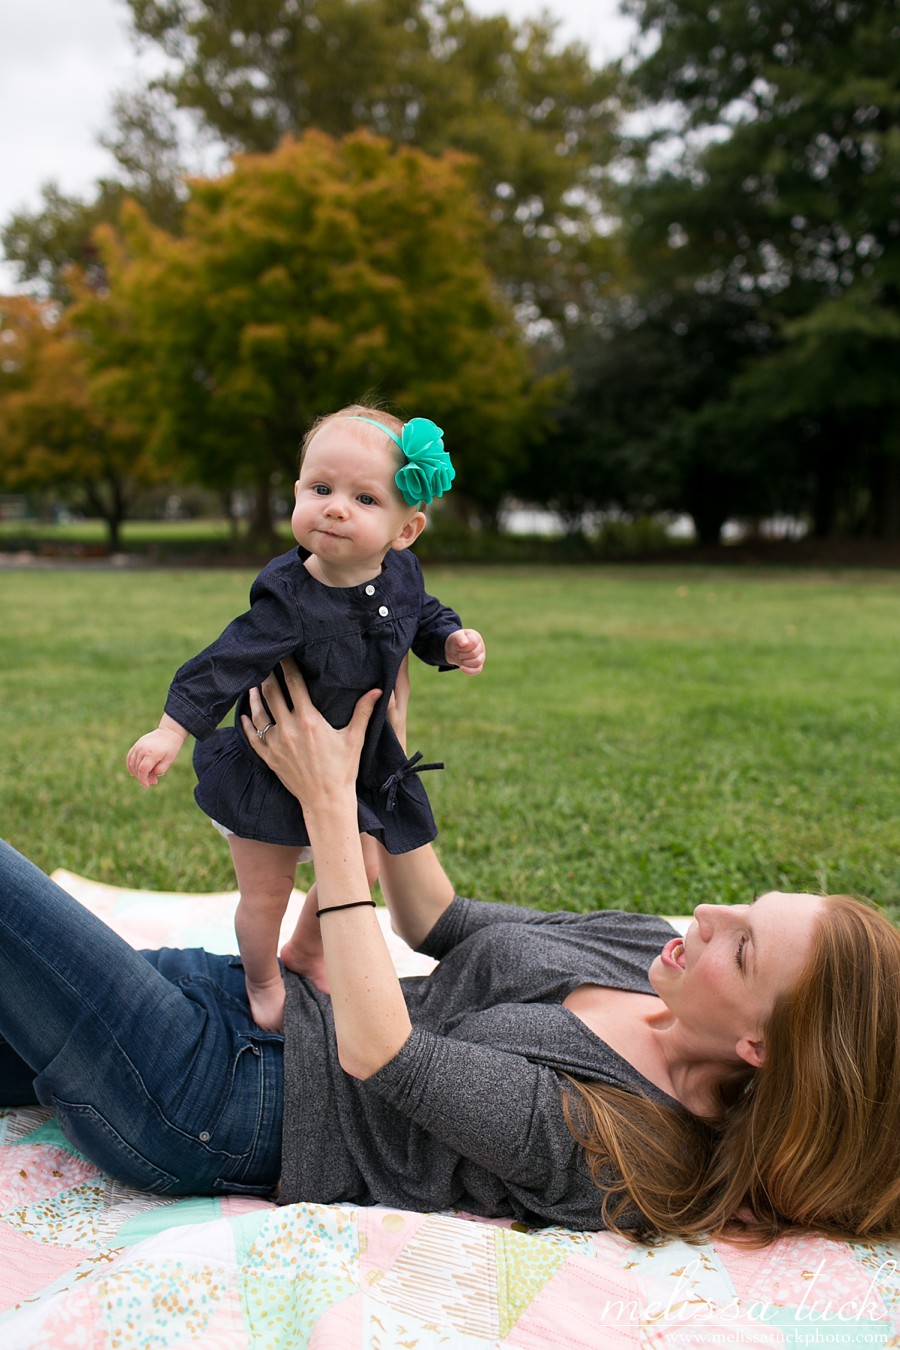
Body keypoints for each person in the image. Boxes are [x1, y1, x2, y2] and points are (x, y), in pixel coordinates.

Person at [4, 657, 900, 1244]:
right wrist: (379, 757)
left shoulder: (626, 1146)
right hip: (234, 996)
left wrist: (330, 801)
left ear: (761, 1048)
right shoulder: (650, 950)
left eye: (739, 949)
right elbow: (437, 917)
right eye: (742, 905)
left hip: (212, 1098)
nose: (706, 911)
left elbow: (382, 1048)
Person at [126, 405, 486, 1030]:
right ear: (298, 493)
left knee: (367, 865)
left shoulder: (400, 571)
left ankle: (307, 949)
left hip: (358, 764)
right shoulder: (288, 600)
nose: (336, 507)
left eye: (364, 498)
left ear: (407, 531)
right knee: (265, 893)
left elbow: (421, 612)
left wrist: (450, 642)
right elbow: (224, 660)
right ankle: (264, 976)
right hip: (272, 764)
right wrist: (170, 728)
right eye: (321, 489)